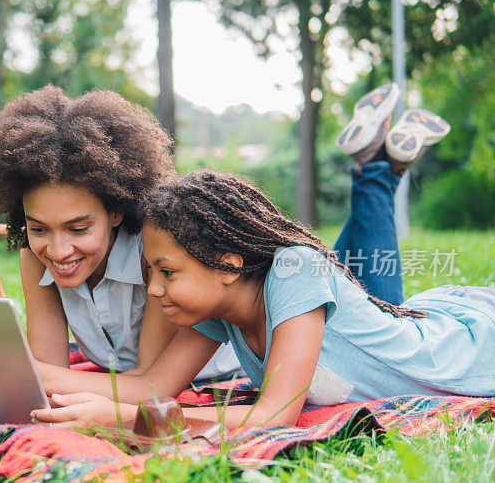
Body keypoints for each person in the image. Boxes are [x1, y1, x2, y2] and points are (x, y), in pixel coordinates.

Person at [32, 85, 495, 431]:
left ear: (230, 265)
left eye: (167, 272)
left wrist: (126, 420)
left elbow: (274, 415)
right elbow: (152, 386)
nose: (152, 289)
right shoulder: (217, 310)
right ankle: (378, 166)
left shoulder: (294, 273)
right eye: (152, 271)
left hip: (473, 351)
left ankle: (376, 169)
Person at [0, 86, 241, 420]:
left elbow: (149, 385)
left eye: (78, 229)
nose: (58, 250)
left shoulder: (154, 256)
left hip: (213, 378)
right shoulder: (35, 256)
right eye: (38, 228)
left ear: (116, 212)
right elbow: (50, 379)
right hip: (125, 385)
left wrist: (23, 369)